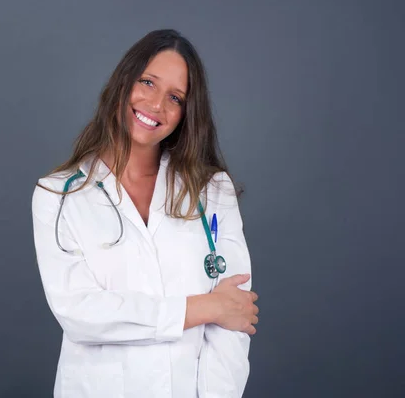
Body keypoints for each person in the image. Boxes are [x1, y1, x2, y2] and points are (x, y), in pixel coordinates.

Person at [31, 29, 259, 398]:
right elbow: (82, 315)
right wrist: (201, 308)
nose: (156, 105)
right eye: (148, 82)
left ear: (186, 112)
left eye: (175, 97)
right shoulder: (59, 195)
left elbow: (232, 321)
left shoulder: (211, 191)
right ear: (124, 82)